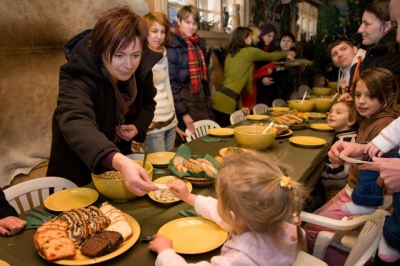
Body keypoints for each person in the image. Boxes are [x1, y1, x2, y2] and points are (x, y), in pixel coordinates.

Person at [46, 7, 158, 195]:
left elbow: (149, 103)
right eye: (119, 55)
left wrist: (138, 126)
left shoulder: (140, 69)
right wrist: (119, 160)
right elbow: (76, 119)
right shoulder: (77, 72)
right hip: (76, 171)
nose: (129, 65)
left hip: (115, 164)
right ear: (101, 50)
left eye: (135, 55)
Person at [303, 68, 399, 266]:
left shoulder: (386, 125)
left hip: (359, 197)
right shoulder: (373, 118)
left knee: (309, 232)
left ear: (388, 97)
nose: (361, 101)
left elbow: (378, 168)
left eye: (370, 95)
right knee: (311, 221)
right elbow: (368, 154)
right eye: (357, 95)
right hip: (350, 191)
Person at [148, 151, 307, 265]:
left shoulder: (239, 259)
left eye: (219, 199)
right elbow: (217, 211)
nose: (216, 202)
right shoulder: (276, 223)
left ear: (233, 217)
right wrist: (187, 197)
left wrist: (165, 251)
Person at [211, 27, 289, 127]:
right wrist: (286, 53)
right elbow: (271, 56)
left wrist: (241, 107)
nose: (251, 39)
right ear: (245, 38)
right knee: (225, 136)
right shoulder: (249, 52)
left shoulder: (230, 55)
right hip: (226, 101)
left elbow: (236, 86)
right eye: (250, 36)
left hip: (219, 98)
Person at [166, 5, 213, 145]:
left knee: (206, 143)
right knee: (190, 147)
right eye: (188, 22)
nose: (191, 27)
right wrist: (184, 113)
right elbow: (171, 84)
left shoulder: (197, 45)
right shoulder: (172, 46)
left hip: (200, 101)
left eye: (194, 23)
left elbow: (204, 80)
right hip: (184, 103)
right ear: (179, 21)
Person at [340, 0, 400, 102]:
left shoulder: (393, 55)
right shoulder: (374, 53)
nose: (360, 30)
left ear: (387, 26)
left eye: (366, 24)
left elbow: (383, 100)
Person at [142, 12, 178, 153]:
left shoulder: (163, 52)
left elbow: (167, 86)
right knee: (158, 172)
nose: (159, 36)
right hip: (152, 125)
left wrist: (174, 116)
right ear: (145, 32)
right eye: (154, 31)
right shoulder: (139, 55)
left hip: (170, 121)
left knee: (170, 168)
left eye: (163, 32)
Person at [316, 101, 358, 208]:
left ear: (351, 120)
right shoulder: (342, 135)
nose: (331, 114)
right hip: (333, 184)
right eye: (331, 111)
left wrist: (319, 172)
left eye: (338, 113)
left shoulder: (347, 142)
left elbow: (341, 172)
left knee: (330, 206)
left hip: (336, 187)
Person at [255, 23, 279, 105]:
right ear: (262, 35)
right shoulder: (255, 49)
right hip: (258, 88)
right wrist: (261, 80)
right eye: (269, 36)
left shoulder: (273, 49)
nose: (271, 39)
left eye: (273, 37)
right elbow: (251, 70)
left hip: (271, 89)